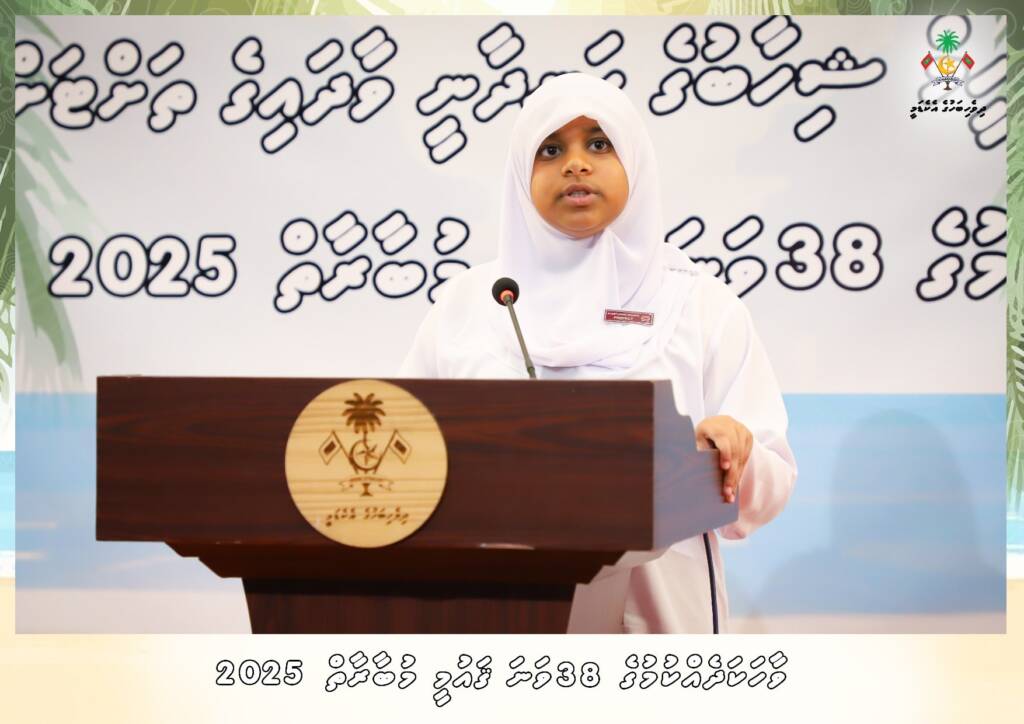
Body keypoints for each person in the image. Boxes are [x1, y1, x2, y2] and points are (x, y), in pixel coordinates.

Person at [399, 72, 796, 633]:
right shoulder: (469, 305)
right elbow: (405, 455)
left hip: (659, 639)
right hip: (499, 624)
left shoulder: (699, 305)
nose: (576, 165)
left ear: (633, 160)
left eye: (599, 143)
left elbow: (770, 484)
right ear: (521, 174)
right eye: (550, 150)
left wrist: (731, 453)